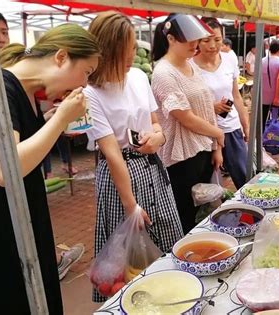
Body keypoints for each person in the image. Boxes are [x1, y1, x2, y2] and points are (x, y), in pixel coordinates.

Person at [0, 24, 99, 314]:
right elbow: (4, 169)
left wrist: (50, 121)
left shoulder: (25, 91)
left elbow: (20, 141)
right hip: (0, 233)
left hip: (26, 221)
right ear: (61, 57)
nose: (84, 84)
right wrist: (60, 121)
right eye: (87, 72)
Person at [85, 11, 184, 302]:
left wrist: (158, 137)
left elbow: (156, 123)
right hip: (121, 179)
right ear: (107, 51)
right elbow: (113, 154)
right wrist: (130, 206)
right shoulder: (91, 93)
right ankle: (131, 303)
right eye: (125, 49)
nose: (132, 54)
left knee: (168, 237)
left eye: (132, 48)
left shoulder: (139, 76)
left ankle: (172, 297)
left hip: (152, 167)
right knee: (127, 254)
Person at [151, 14, 224, 234]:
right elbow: (184, 116)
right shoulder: (163, 73)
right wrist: (218, 133)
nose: (196, 44)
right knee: (185, 215)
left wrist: (216, 146)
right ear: (171, 39)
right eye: (190, 40)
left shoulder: (191, 65)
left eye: (196, 39)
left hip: (202, 149)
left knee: (203, 211)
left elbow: (206, 109)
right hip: (180, 157)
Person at [192, 18, 249, 189]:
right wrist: (211, 108)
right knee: (204, 185)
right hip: (203, 131)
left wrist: (244, 124)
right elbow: (186, 106)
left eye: (217, 40)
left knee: (244, 176)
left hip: (231, 129)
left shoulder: (229, 60)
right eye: (206, 40)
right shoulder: (189, 65)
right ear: (197, 40)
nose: (212, 45)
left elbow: (236, 96)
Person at [261, 39, 279, 131]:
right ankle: (273, 142)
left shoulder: (261, 61)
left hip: (263, 96)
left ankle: (263, 140)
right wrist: (276, 97)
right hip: (277, 96)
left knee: (263, 120)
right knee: (275, 122)